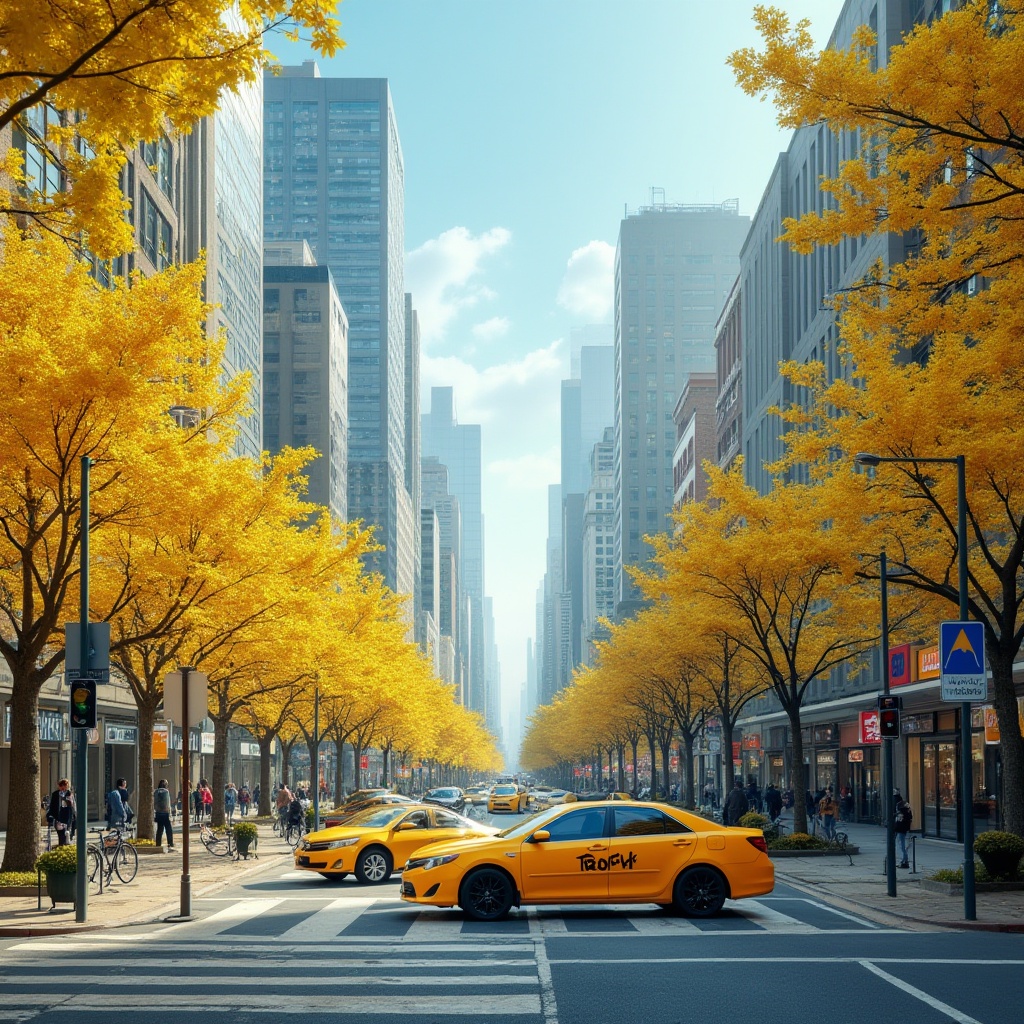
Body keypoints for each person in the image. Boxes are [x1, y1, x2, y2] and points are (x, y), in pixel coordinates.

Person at [46, 778, 76, 846]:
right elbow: (52, 806)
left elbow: (69, 809)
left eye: (65, 785)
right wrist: (50, 815)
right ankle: (62, 847)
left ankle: (63, 848)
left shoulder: (69, 794)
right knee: (61, 836)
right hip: (57, 818)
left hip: (66, 818)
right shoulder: (55, 794)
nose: (63, 787)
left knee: (66, 836)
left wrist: (70, 821)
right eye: (61, 785)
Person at [154, 778, 175, 850]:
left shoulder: (156, 792)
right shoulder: (166, 792)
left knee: (159, 829)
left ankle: (158, 843)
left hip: (158, 813)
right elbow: (168, 803)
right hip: (165, 813)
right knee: (168, 829)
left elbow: (155, 802)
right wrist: (170, 813)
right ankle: (170, 843)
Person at [894, 791, 913, 868]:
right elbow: (910, 816)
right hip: (905, 827)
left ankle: (904, 860)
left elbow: (899, 817)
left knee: (901, 844)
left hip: (900, 827)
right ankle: (904, 860)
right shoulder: (906, 804)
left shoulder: (899, 805)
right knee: (902, 844)